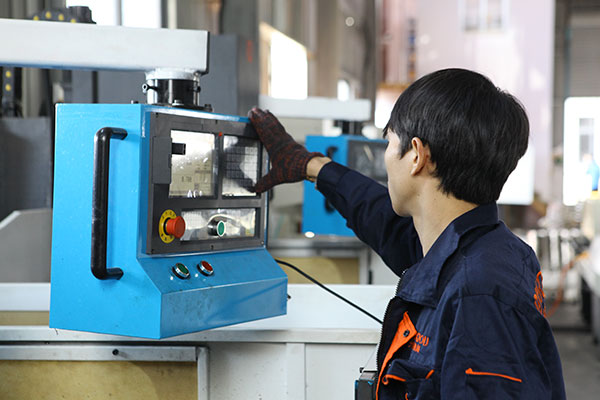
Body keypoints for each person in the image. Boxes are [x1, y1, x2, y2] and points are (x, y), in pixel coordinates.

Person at [249, 68, 565, 399]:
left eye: (388, 142)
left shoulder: (478, 293)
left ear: (416, 155)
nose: (386, 158)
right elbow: (384, 221)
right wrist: (311, 165)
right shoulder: (477, 249)